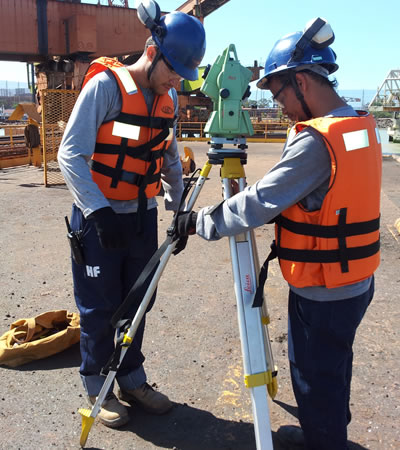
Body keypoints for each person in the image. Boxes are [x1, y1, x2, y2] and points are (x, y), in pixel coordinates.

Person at [175, 18, 382, 450]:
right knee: (333, 367)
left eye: (279, 93)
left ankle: (325, 440)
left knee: (313, 377)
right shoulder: (359, 125)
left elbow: (259, 203)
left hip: (324, 289)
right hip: (357, 278)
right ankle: (328, 431)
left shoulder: (315, 142)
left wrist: (199, 222)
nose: (279, 105)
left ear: (302, 81)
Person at [58, 2, 206, 429]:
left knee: (138, 303)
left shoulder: (169, 97)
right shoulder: (105, 87)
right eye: (174, 69)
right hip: (99, 218)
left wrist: (179, 211)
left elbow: (171, 161)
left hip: (142, 217)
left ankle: (132, 378)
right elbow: (71, 154)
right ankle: (94, 386)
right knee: (100, 307)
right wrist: (97, 210)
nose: (178, 80)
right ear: (152, 51)